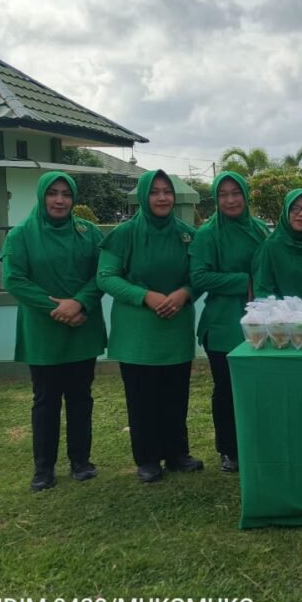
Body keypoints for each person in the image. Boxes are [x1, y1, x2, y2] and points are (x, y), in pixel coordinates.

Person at [1, 172, 106, 492]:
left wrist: (79, 303)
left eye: (66, 194)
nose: (59, 200)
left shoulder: (88, 233)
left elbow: (103, 273)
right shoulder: (22, 234)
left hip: (81, 326)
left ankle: (81, 462)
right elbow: (14, 279)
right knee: (45, 400)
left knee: (80, 397)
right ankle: (44, 468)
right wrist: (57, 309)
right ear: (42, 196)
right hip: (43, 329)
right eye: (52, 193)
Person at [97, 170, 202, 484]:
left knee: (175, 395)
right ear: (144, 196)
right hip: (138, 332)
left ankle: (177, 454)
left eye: (167, 191)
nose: (162, 197)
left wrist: (185, 293)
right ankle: (147, 459)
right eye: (154, 192)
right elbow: (106, 277)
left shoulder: (187, 234)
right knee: (143, 399)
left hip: (175, 327)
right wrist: (145, 296)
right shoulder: (124, 234)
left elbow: (200, 274)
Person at [189, 171, 269, 473]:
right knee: (226, 389)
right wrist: (244, 281)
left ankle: (257, 444)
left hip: (260, 322)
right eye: (223, 195)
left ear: (245, 195)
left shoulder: (259, 228)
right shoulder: (208, 233)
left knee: (257, 389)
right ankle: (229, 449)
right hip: (223, 324)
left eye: (236, 193)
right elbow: (199, 276)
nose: (231, 200)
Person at [253, 188, 302, 299]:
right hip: (280, 309)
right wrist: (287, 309)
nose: (301, 214)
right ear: (286, 211)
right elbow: (262, 290)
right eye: (295, 209)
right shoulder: (270, 248)